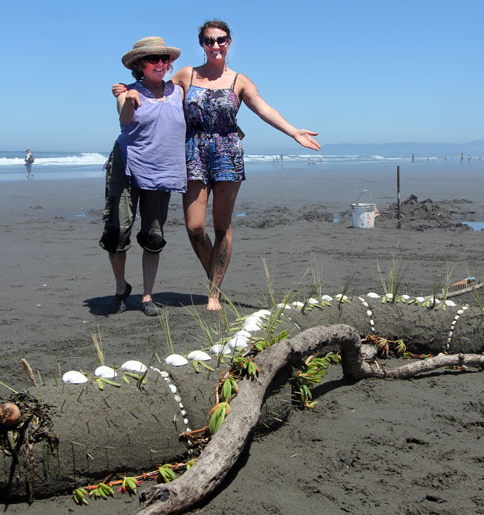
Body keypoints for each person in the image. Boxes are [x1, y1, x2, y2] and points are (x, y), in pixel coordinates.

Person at [114, 20, 321, 310]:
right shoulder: (187, 75)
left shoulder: (240, 81)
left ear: (229, 42)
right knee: (195, 226)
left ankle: (214, 292)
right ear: (202, 44)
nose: (216, 46)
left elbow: (263, 109)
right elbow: (156, 92)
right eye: (209, 41)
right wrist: (128, 91)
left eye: (221, 40)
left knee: (222, 226)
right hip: (193, 151)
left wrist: (293, 131)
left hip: (227, 153)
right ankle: (214, 280)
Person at [100, 36, 186, 316]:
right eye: (152, 60)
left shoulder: (179, 91)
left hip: (162, 170)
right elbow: (125, 120)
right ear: (140, 65)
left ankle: (147, 297)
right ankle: (120, 288)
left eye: (164, 59)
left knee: (153, 235)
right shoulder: (126, 92)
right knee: (117, 230)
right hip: (127, 167)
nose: (160, 64)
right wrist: (128, 100)